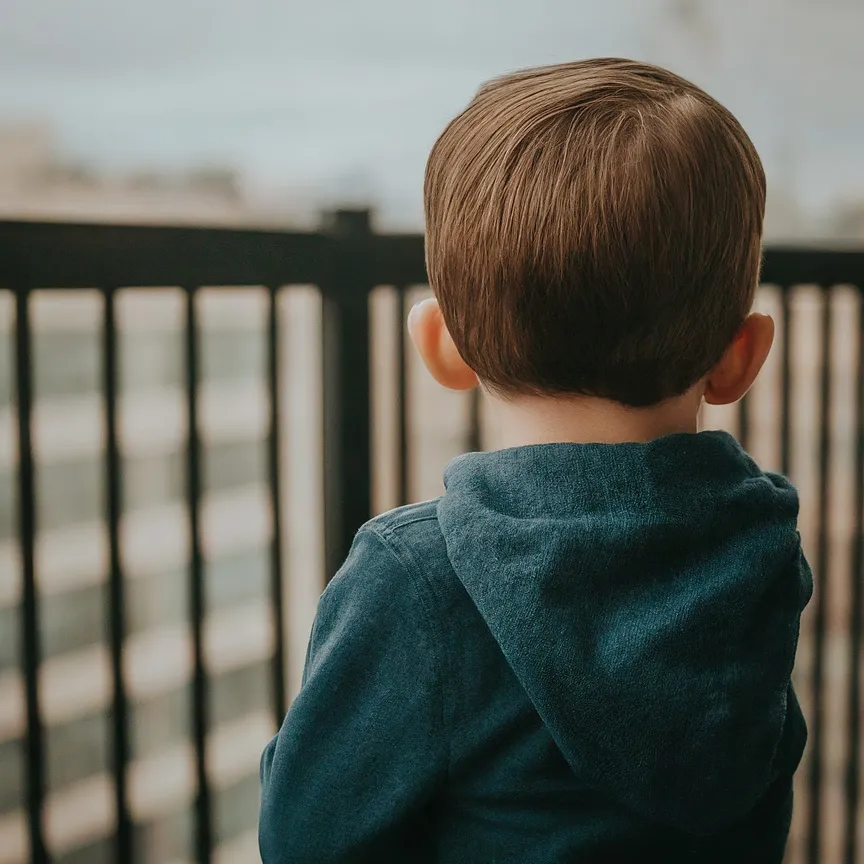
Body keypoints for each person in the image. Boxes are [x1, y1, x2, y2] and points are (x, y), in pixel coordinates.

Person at [259, 58, 812, 863]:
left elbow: (304, 839)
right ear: (742, 358)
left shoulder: (417, 580)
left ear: (439, 345)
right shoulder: (758, 553)